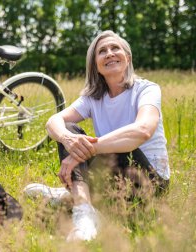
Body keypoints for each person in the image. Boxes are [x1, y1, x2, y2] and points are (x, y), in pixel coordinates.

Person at [24, 30, 170, 241]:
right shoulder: (93, 97)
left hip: (149, 183)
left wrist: (85, 151)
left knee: (121, 150)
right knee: (70, 130)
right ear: (96, 65)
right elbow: (53, 122)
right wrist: (68, 140)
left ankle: (67, 195)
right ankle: (84, 212)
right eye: (102, 51)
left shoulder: (146, 89)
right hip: (113, 177)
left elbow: (143, 130)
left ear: (127, 58)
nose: (109, 53)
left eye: (115, 48)